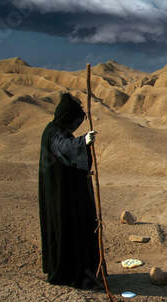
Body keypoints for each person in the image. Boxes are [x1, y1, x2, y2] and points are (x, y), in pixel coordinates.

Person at [38, 92, 103, 289]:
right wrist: (82, 142)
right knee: (67, 227)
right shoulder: (54, 132)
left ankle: (82, 270)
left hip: (67, 192)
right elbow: (63, 147)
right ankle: (69, 272)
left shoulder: (58, 130)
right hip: (60, 196)